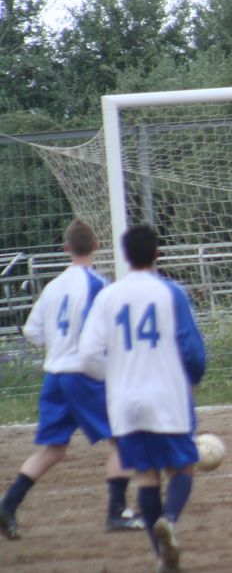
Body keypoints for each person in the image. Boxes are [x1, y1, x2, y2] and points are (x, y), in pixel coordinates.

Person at [0, 220, 143, 541]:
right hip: (84, 373)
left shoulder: (53, 286)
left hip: (55, 375)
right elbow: (107, 331)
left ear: (66, 248)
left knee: (53, 449)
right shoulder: (98, 284)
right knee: (126, 439)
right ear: (96, 246)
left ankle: (7, 505)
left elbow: (32, 332)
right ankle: (117, 512)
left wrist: (60, 341)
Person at [78, 225, 206, 573]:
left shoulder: (107, 296)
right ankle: (169, 518)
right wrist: (192, 380)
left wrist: (116, 375)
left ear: (124, 256)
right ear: (156, 255)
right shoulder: (171, 292)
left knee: (146, 477)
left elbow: (87, 356)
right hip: (167, 396)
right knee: (182, 467)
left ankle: (162, 558)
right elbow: (192, 351)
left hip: (124, 402)